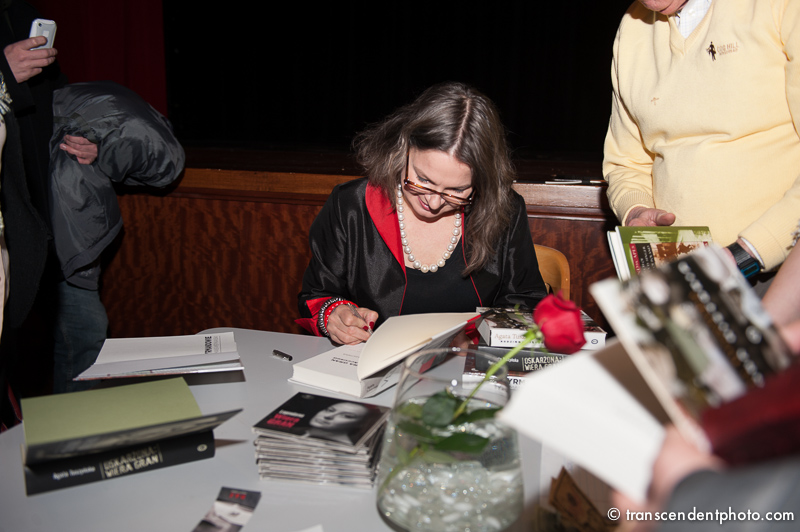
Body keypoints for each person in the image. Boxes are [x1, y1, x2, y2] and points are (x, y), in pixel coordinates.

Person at [297, 82, 547, 345]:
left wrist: (478, 340)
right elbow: (317, 295)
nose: (434, 202)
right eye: (423, 180)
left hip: (470, 365)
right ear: (403, 147)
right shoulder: (351, 205)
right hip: (370, 361)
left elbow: (526, 302)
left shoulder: (504, 210)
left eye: (457, 190)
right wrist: (333, 315)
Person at [602, 0, 800, 290]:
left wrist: (747, 253)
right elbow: (626, 162)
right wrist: (635, 209)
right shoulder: (633, 26)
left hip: (779, 272)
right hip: (680, 274)